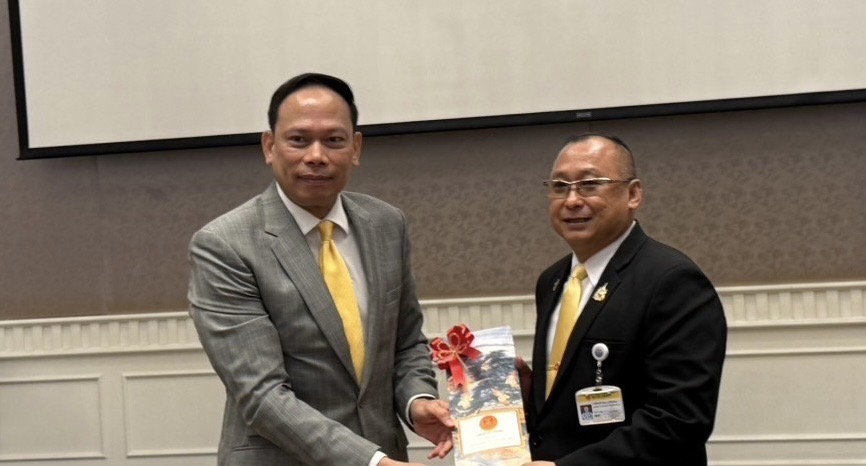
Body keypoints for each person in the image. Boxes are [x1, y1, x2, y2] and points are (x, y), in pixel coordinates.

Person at [188, 73, 454, 466]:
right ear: (269, 146)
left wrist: (417, 401)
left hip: (385, 450)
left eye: (333, 140)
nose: (316, 155)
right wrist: (372, 462)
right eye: (299, 140)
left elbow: (405, 342)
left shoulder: (386, 224)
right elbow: (261, 395)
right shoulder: (224, 244)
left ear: (356, 148)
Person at [519, 133, 727, 465]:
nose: (571, 200)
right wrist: (531, 393)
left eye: (589, 185)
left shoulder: (671, 280)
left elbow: (679, 421)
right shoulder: (552, 281)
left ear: (633, 194)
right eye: (559, 186)